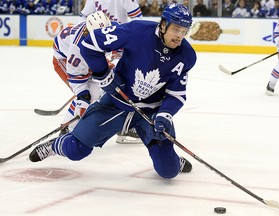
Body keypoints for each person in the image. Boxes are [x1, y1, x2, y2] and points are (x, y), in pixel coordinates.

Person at [29, 3, 196, 179]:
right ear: (163, 25)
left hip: (151, 111)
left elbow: (176, 94)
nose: (180, 36)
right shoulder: (137, 31)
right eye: (176, 29)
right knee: (75, 149)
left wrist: (165, 114)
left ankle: (173, 161)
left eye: (184, 31)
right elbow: (90, 44)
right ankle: (56, 145)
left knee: (168, 171)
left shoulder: (187, 56)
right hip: (117, 102)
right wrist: (102, 74)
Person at [79, 0, 143, 144]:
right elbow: (84, 18)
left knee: (127, 89)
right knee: (105, 91)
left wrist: (122, 43)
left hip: (120, 42)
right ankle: (84, 124)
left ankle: (124, 127)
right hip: (98, 45)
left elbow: (137, 20)